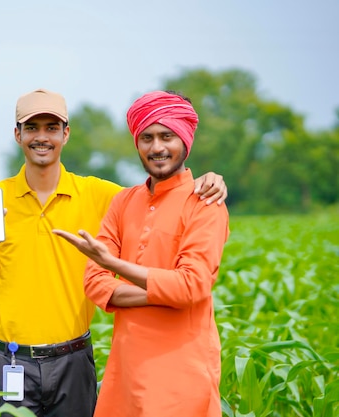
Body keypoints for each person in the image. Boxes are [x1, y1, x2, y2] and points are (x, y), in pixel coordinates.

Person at [0, 88, 228, 417]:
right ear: (18, 135)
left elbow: (162, 196)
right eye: (31, 128)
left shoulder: (100, 194)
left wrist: (212, 178)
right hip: (12, 360)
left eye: (51, 127)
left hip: (73, 359)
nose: (41, 137)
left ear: (66, 133)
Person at [52, 90, 230, 416]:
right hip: (126, 374)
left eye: (167, 136)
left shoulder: (205, 203)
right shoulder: (124, 202)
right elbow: (94, 283)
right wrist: (166, 291)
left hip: (182, 378)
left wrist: (114, 265)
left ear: (186, 140)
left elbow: (192, 286)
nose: (156, 147)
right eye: (146, 137)